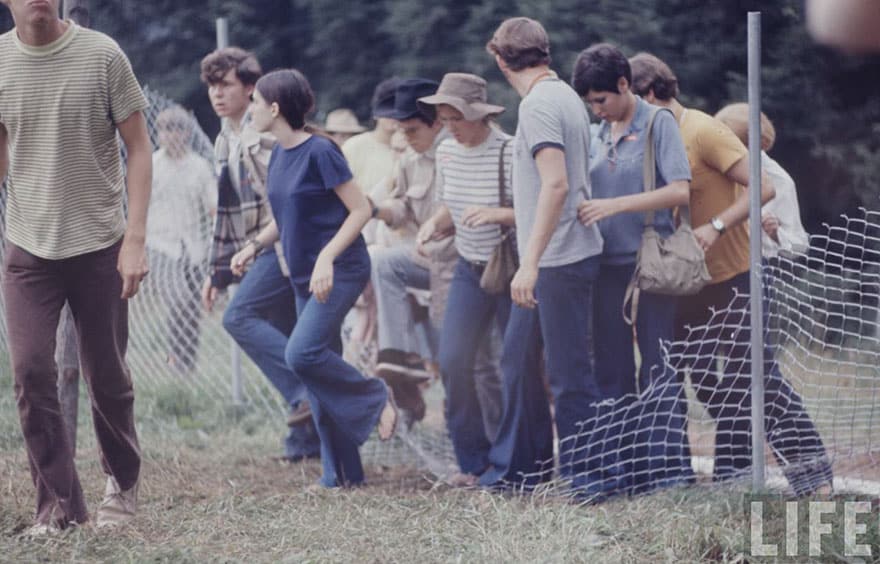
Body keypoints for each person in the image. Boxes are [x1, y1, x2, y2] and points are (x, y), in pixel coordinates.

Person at [630, 52, 833, 495]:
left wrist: (717, 224)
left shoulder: (702, 130)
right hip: (679, 282)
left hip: (735, 274)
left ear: (647, 92)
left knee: (756, 377)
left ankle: (809, 476)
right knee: (690, 377)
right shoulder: (641, 136)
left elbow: (764, 187)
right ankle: (699, 477)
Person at [0, 0, 151, 532]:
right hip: (27, 249)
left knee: (106, 375)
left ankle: (122, 482)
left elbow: (138, 147)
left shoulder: (102, 54)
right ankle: (59, 506)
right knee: (31, 373)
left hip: (100, 244)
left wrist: (134, 238)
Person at [229, 68, 397, 488]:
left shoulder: (322, 151)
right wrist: (254, 246)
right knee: (318, 372)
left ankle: (377, 399)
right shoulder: (282, 153)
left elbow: (360, 210)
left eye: (254, 102)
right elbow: (285, 218)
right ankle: (339, 474)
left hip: (340, 270)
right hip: (308, 275)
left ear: (274, 108)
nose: (249, 109)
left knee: (301, 355)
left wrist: (326, 256)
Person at [478, 17, 607, 495]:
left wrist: (529, 264)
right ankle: (522, 470)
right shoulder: (563, 97)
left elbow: (556, 183)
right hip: (554, 257)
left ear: (499, 59)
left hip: (559, 260)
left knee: (569, 373)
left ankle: (587, 477)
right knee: (516, 360)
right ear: (544, 52)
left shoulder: (539, 106)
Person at [570, 43, 694, 494]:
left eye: (602, 99)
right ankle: (624, 471)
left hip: (650, 266)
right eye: (590, 103)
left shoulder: (659, 123)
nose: (597, 109)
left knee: (658, 368)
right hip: (604, 268)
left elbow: (680, 191)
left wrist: (617, 205)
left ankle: (669, 472)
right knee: (612, 370)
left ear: (624, 85)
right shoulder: (594, 132)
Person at [199, 47, 319, 461]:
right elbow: (229, 213)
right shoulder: (224, 139)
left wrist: (257, 247)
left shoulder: (263, 136)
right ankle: (307, 440)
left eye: (226, 84)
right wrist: (217, 272)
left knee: (240, 317)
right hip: (259, 247)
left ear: (251, 88)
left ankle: (307, 393)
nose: (217, 94)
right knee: (287, 336)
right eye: (212, 86)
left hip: (284, 246)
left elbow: (289, 199)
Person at [417, 72, 512, 485]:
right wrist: (434, 225)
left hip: (510, 269)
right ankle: (472, 461)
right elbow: (449, 206)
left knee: (514, 365)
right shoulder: (446, 152)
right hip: (468, 269)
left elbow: (538, 210)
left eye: (455, 117)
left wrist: (495, 215)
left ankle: (514, 460)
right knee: (454, 360)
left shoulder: (508, 151)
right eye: (443, 117)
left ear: (478, 115)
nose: (448, 126)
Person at [146, 105, 216, 373]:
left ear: (186, 133)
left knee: (192, 307)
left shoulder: (198, 166)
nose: (170, 135)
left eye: (176, 129)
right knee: (179, 300)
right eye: (165, 130)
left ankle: (186, 362)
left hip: (193, 247)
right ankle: (176, 359)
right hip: (161, 246)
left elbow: (212, 205)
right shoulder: (152, 164)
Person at [713, 103, 809, 258]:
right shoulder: (712, 165)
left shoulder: (779, 180)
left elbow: (799, 246)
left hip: (753, 268)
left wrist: (776, 233)